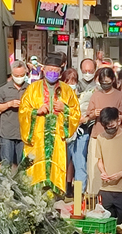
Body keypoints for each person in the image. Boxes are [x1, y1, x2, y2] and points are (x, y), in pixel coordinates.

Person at [19, 53, 81, 195]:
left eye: (55, 71)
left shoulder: (67, 91)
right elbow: (23, 111)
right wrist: (36, 112)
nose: (52, 73)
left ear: (60, 73)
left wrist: (64, 109)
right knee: (35, 172)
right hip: (37, 139)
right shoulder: (32, 89)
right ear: (43, 70)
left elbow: (76, 113)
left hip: (57, 140)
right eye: (50, 70)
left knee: (55, 171)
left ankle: (55, 201)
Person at [86, 68, 122, 196]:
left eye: (107, 81)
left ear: (113, 80)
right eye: (102, 82)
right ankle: (93, 196)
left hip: (114, 137)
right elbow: (89, 115)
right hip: (97, 135)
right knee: (94, 169)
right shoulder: (96, 95)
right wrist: (94, 114)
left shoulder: (120, 96)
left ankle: (110, 196)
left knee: (112, 167)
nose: (105, 84)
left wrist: (112, 119)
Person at [61, 68, 90, 197]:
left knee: (80, 163)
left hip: (81, 132)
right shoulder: (58, 96)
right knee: (63, 163)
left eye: (73, 81)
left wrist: (84, 118)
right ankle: (61, 190)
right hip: (64, 133)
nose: (71, 84)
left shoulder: (84, 95)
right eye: (68, 81)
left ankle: (80, 193)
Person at [0, 61, 29, 167]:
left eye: (22, 75)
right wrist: (9, 104)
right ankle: (6, 184)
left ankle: (21, 183)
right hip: (7, 133)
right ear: (12, 75)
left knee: (23, 166)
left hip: (24, 134)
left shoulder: (31, 89)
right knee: (6, 164)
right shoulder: (3, 89)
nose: (19, 77)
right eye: (16, 75)